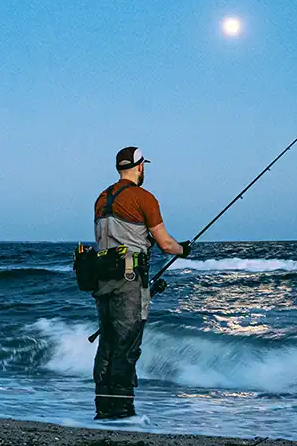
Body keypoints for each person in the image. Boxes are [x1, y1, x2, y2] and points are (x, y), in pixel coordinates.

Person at [91, 146, 191, 420]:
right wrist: (185, 250)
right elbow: (166, 244)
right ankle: (122, 411)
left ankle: (103, 407)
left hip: (101, 282)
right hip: (129, 282)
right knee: (126, 346)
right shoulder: (144, 198)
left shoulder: (101, 198)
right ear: (140, 167)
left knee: (108, 344)